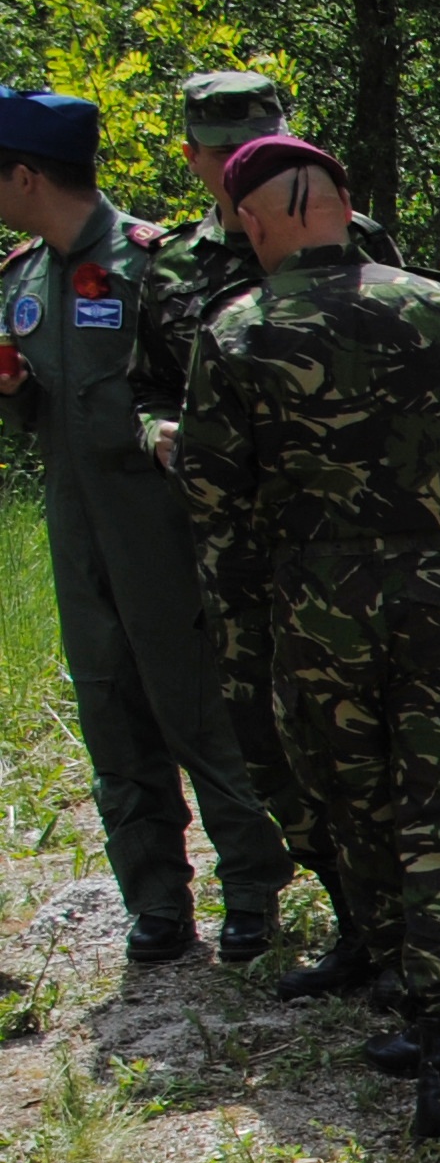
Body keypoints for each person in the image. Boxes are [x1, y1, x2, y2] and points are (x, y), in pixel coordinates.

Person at [173, 132, 440, 1141]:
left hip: (319, 610)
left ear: (253, 221)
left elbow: (211, 489)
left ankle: (398, 998)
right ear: (341, 201)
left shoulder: (240, 330)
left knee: (360, 803)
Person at [0, 87, 293, 966]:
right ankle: (156, 901)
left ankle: (252, 887)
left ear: (24, 174)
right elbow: (42, 419)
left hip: (164, 532)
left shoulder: (150, 267)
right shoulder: (20, 278)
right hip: (77, 531)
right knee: (109, 706)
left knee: (196, 704)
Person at [134, 72, 403, 998]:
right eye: (223, 148)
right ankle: (352, 917)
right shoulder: (171, 269)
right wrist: (157, 430)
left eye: (263, 137)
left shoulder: (353, 240)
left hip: (351, 547)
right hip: (239, 554)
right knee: (271, 741)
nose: (243, 160)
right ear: (194, 158)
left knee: (376, 742)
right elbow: (144, 385)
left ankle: (406, 931)